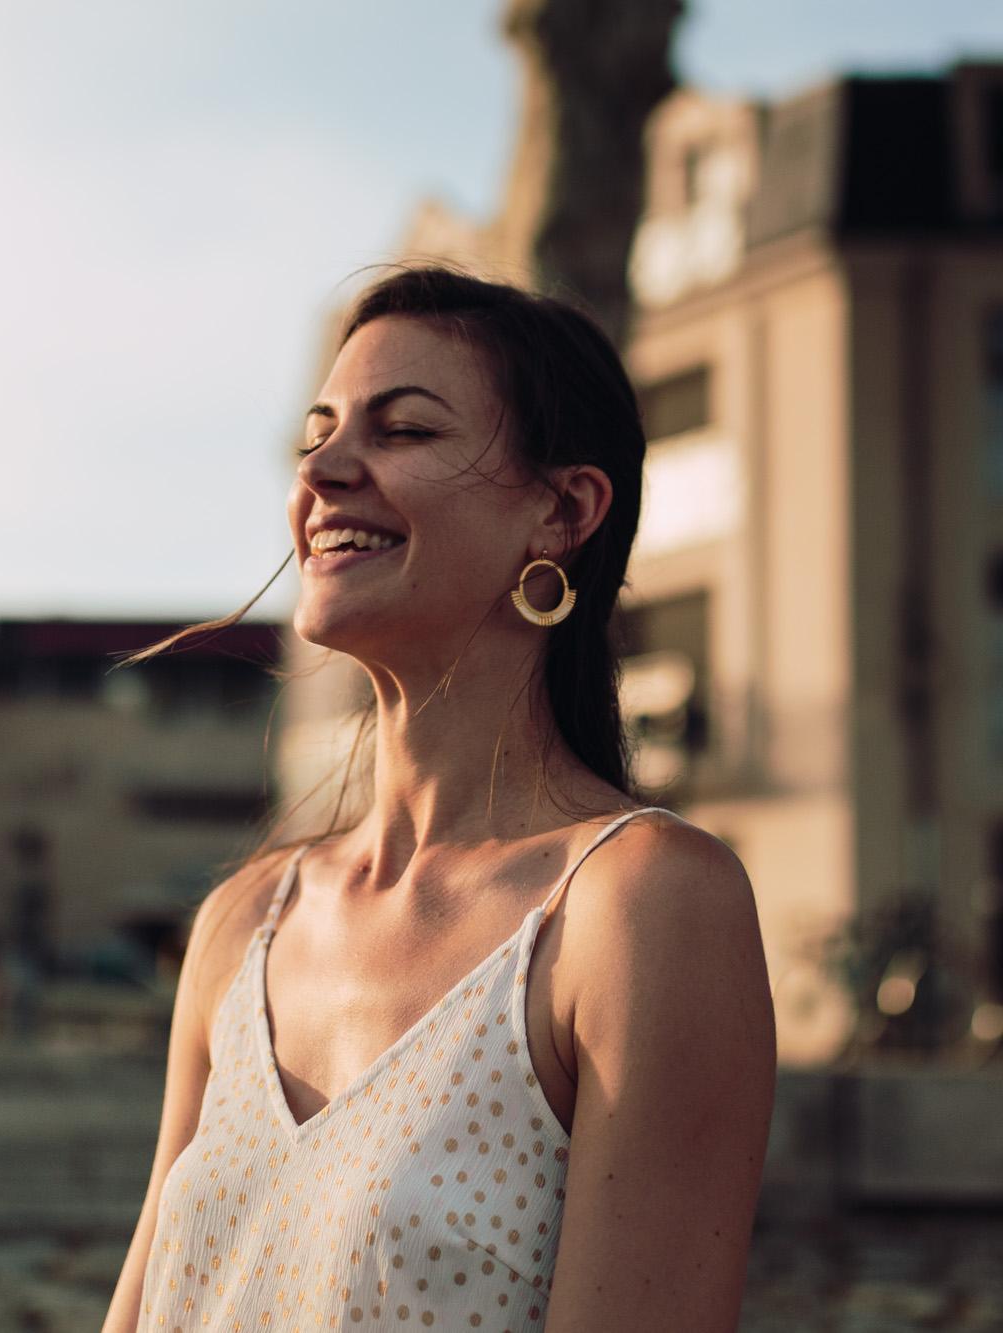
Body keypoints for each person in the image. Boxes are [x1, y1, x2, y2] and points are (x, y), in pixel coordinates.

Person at [104, 267, 775, 1332]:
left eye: (401, 430)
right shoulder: (241, 922)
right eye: (313, 436)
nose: (322, 469)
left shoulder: (637, 908)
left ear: (560, 511)